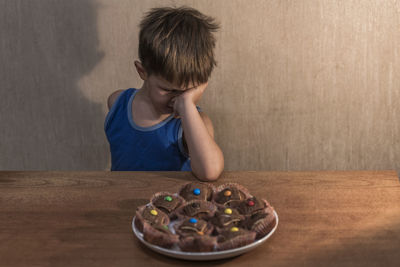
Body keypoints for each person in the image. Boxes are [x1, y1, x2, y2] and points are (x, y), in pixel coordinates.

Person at [104, 6, 224, 181]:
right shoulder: (117, 103)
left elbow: (209, 172)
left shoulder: (194, 124)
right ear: (142, 71)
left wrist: (187, 105)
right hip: (120, 200)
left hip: (170, 206)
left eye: (187, 91)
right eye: (168, 90)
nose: (177, 98)